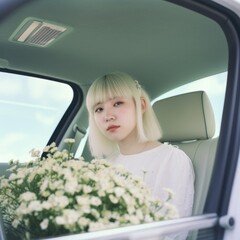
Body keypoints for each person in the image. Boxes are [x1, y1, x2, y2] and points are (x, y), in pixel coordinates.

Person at [86, 71, 195, 221]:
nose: (107, 116)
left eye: (117, 103)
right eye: (99, 109)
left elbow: (171, 232)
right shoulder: (105, 164)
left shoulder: (171, 160)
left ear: (141, 105)